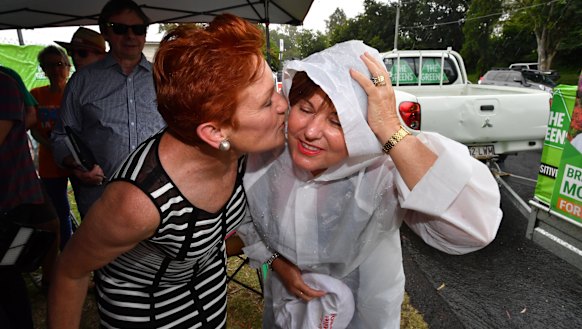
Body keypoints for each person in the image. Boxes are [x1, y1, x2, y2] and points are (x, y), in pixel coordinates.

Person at [237, 40, 503, 329]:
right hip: (288, 306)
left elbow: (472, 229)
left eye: (338, 122)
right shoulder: (270, 158)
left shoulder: (382, 171)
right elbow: (250, 216)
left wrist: (390, 126)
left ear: (362, 127)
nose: (311, 131)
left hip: (364, 310)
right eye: (305, 108)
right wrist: (277, 262)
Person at [48, 14, 287, 328]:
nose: (283, 104)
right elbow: (70, 271)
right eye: (267, 102)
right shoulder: (138, 202)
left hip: (210, 299)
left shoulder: (245, 151)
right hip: (147, 311)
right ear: (215, 133)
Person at [50, 0, 165, 218]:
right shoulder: (82, 81)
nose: (130, 36)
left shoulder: (164, 79)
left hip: (157, 201)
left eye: (138, 29)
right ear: (105, 32)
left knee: (152, 254)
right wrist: (76, 165)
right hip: (102, 202)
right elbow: (60, 137)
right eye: (120, 29)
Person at [0, 69, 59, 329]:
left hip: (15, 198)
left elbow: (30, 117)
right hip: (21, 194)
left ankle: (48, 280)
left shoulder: (3, 81)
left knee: (7, 270)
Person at [30, 46, 73, 250]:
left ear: (68, 66)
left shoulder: (76, 93)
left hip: (76, 162)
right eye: (50, 65)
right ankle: (64, 252)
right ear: (43, 69)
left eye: (59, 64)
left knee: (88, 208)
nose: (56, 70)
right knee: (59, 211)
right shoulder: (35, 95)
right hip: (50, 163)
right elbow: (34, 130)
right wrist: (53, 147)